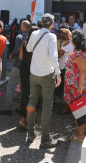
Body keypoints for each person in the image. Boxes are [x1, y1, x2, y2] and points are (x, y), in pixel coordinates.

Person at [26, 13, 61, 148]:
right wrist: (58, 73)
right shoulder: (51, 36)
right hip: (46, 74)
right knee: (47, 105)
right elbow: (54, 57)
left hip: (34, 73)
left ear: (41, 23)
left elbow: (29, 48)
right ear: (52, 24)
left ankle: (31, 133)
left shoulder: (34, 34)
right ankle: (45, 139)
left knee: (32, 102)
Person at [61, 28, 86, 143]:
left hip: (77, 85)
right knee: (78, 107)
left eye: (72, 38)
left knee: (79, 108)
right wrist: (69, 33)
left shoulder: (79, 54)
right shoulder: (80, 49)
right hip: (74, 84)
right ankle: (82, 127)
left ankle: (80, 134)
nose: (70, 39)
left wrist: (79, 87)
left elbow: (82, 71)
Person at [0, 20, 30, 116]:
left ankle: (8, 109)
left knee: (11, 86)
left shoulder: (19, 36)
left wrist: (11, 55)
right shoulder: (32, 37)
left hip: (19, 64)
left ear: (23, 27)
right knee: (24, 87)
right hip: (29, 65)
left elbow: (17, 49)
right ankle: (21, 108)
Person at [18, 26, 36, 130]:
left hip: (24, 68)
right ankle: (29, 120)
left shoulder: (24, 42)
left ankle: (22, 118)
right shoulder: (36, 44)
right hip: (33, 69)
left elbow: (20, 57)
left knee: (24, 93)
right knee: (33, 95)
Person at [55, 26, 75, 112]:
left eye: (64, 33)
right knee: (67, 89)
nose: (62, 35)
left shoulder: (69, 44)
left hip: (65, 68)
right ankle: (68, 106)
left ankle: (66, 108)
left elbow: (59, 54)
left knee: (64, 89)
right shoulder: (75, 43)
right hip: (70, 68)